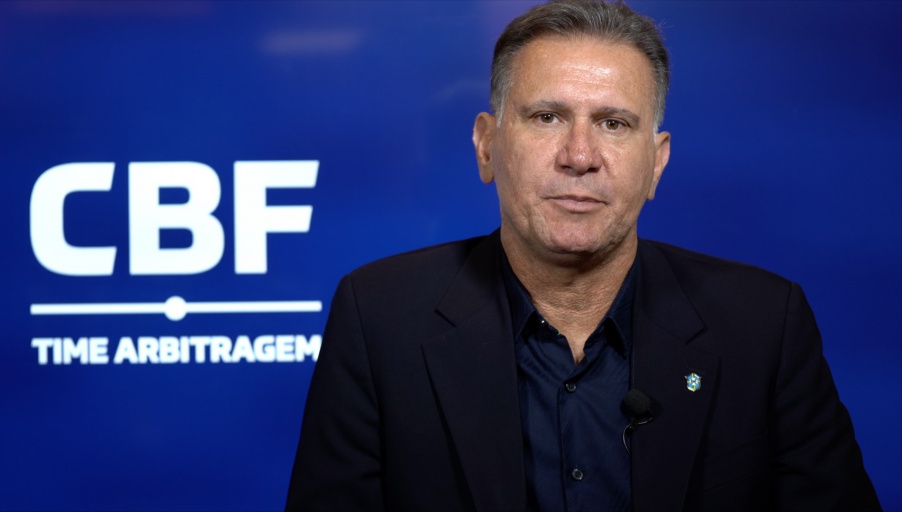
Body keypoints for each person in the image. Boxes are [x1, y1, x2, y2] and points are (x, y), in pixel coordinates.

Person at [286, 1, 880, 510]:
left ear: (657, 163)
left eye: (613, 124)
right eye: (547, 117)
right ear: (487, 146)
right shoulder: (380, 318)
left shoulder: (763, 324)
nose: (579, 156)